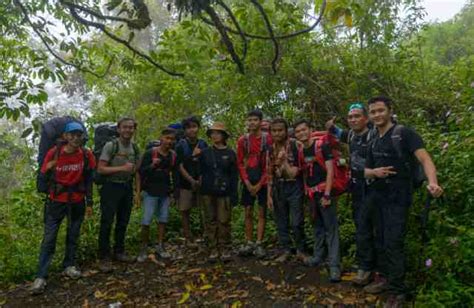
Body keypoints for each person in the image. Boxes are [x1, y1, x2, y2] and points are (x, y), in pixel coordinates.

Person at [364, 96, 443, 307]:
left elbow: (425, 159)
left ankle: (398, 292)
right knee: (379, 239)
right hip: (377, 198)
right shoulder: (373, 139)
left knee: (393, 242)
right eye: (373, 112)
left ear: (390, 110)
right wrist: (374, 172)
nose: (377, 115)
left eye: (381, 110)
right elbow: (365, 170)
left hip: (398, 198)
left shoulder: (403, 134)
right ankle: (384, 279)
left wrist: (432, 182)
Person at [30, 122, 96, 295]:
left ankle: (69, 265)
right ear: (65, 137)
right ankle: (41, 276)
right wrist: (49, 167)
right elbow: (43, 174)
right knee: (49, 238)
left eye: (79, 134)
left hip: (77, 201)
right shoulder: (54, 153)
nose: (76, 138)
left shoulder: (86, 155)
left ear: (82, 137)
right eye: (72, 134)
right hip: (56, 202)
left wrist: (90, 203)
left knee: (73, 235)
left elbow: (89, 180)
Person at [325, 102, 381, 286]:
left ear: (366, 118)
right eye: (350, 117)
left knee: (379, 229)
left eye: (357, 116)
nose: (353, 119)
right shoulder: (351, 136)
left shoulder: (374, 134)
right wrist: (330, 126)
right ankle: (365, 268)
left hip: (377, 187)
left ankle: (380, 271)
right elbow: (337, 133)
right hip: (357, 188)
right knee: (362, 228)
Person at [293, 119, 341, 282]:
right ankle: (318, 257)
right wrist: (307, 191)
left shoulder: (321, 145)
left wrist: (327, 195)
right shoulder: (301, 150)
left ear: (310, 129)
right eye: (298, 131)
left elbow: (330, 171)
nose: (301, 133)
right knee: (317, 226)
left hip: (325, 192)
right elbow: (305, 172)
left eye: (304, 130)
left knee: (331, 229)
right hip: (312, 194)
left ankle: (334, 266)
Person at [97, 117, 140, 269]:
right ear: (118, 129)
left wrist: (137, 192)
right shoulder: (111, 146)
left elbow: (136, 170)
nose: (128, 130)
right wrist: (122, 168)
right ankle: (103, 257)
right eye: (125, 127)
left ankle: (119, 251)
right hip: (111, 187)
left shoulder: (134, 147)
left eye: (131, 127)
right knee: (107, 222)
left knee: (123, 221)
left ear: (134, 129)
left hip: (126, 187)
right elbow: (101, 168)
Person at [266, 118, 306, 262]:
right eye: (274, 131)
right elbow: (269, 172)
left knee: (296, 221)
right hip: (278, 187)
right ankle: (286, 250)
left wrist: (283, 162)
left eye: (280, 130)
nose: (277, 133)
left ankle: (301, 250)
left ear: (286, 131)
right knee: (281, 221)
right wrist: (268, 195)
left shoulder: (295, 145)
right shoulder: (270, 149)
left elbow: (296, 171)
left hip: (294, 185)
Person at [199, 122, 238, 261]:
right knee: (210, 220)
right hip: (207, 192)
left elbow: (234, 175)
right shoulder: (205, 153)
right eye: (213, 133)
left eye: (218, 133)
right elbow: (198, 171)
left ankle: (225, 248)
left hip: (225, 192)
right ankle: (213, 248)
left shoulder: (231, 153)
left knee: (224, 220)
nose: (215, 135)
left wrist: (234, 194)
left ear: (224, 135)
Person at [136, 128, 177, 262]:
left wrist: (172, 193)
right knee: (146, 221)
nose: (169, 141)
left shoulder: (173, 155)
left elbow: (173, 174)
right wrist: (152, 166)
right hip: (150, 192)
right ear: (161, 138)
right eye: (167, 138)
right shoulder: (150, 153)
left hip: (164, 192)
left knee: (163, 220)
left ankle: (160, 246)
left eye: (172, 139)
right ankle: (143, 248)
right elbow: (140, 172)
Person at [236, 109, 272, 258]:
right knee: (248, 211)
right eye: (249, 120)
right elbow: (240, 162)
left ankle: (259, 242)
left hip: (263, 179)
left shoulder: (267, 139)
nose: (252, 123)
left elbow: (269, 164)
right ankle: (249, 241)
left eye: (255, 120)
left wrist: (260, 183)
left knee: (262, 212)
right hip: (248, 178)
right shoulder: (242, 140)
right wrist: (247, 182)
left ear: (260, 121)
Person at [175, 116, 208, 245]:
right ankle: (188, 237)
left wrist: (200, 180)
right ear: (184, 130)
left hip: (202, 182)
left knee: (205, 210)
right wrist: (191, 181)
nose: (192, 130)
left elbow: (206, 164)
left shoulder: (203, 144)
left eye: (194, 126)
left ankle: (206, 235)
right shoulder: (180, 145)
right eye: (188, 127)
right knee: (185, 210)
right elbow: (179, 165)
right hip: (185, 183)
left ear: (198, 128)